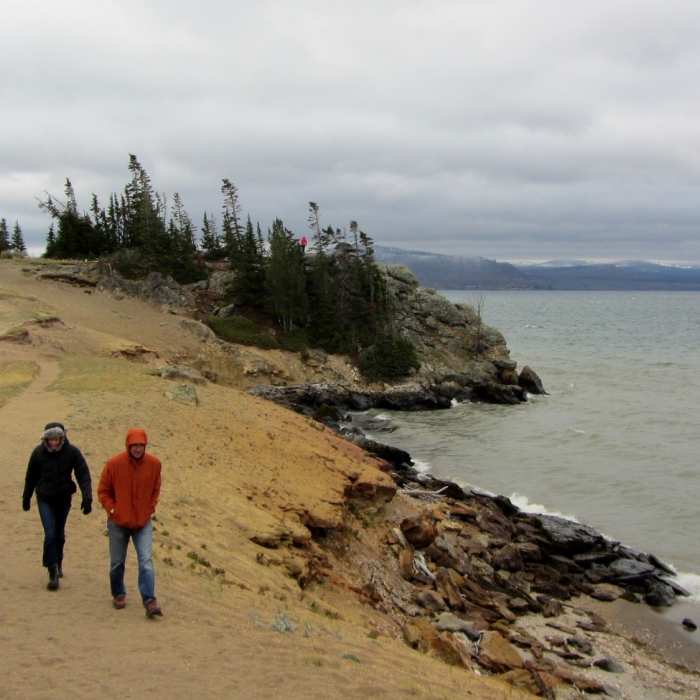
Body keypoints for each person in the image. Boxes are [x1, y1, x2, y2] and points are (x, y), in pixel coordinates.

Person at [98, 428, 163, 618]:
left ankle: (150, 600)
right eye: (134, 446)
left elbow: (156, 489)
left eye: (140, 446)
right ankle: (118, 593)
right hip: (118, 523)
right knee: (117, 562)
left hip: (142, 523)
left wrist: (150, 509)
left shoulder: (154, 464)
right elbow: (103, 491)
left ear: (145, 446)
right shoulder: (114, 464)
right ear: (128, 446)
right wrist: (113, 510)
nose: (137, 449)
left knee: (146, 561)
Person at [22, 422, 92, 590]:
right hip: (44, 498)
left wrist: (87, 497)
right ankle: (52, 570)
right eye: (50, 439)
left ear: (62, 437)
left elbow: (83, 474)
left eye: (56, 438)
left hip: (63, 498)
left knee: (59, 534)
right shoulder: (38, 453)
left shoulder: (72, 452)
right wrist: (26, 497)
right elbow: (30, 476)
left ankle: (58, 561)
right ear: (45, 438)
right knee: (50, 533)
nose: (53, 442)